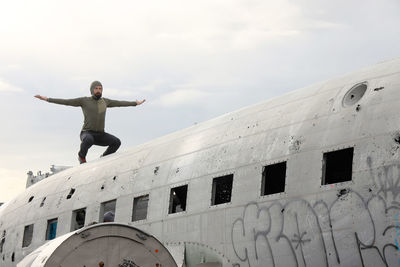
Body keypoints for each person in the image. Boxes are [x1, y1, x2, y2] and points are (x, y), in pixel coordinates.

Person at [35, 81, 145, 164]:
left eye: (100, 88)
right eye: (96, 88)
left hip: (100, 134)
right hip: (87, 133)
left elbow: (120, 103)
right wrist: (47, 99)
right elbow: (66, 102)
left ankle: (104, 158)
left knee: (116, 142)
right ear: (92, 90)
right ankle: (81, 156)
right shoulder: (84, 101)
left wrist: (135, 103)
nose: (98, 90)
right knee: (88, 139)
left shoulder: (105, 102)